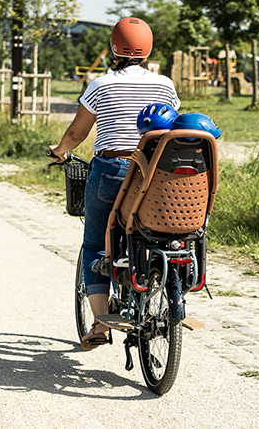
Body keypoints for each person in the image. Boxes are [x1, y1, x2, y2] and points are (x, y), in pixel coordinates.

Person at [48, 17, 181, 350]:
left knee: (95, 242)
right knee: (149, 229)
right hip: (153, 174)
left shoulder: (100, 84)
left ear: (113, 48)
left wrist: (60, 152)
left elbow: (78, 133)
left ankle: (99, 323)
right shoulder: (165, 85)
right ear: (148, 49)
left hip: (112, 170)